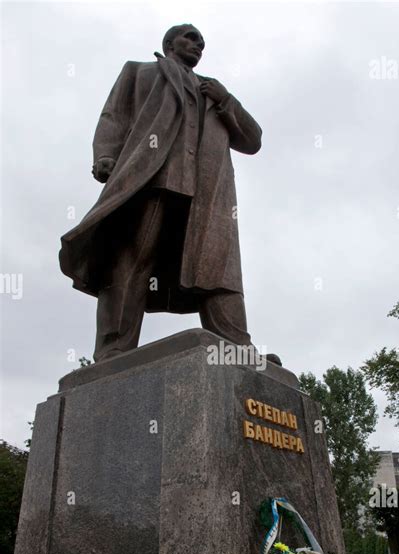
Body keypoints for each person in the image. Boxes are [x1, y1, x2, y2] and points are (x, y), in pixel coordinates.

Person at [59, 23, 280, 365]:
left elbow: (253, 140)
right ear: (169, 43)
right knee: (132, 257)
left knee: (218, 267)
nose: (198, 45)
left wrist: (227, 101)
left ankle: (235, 344)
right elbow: (114, 116)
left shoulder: (214, 94)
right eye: (191, 38)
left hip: (207, 193)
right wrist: (106, 156)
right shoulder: (139, 72)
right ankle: (114, 348)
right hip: (153, 176)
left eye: (202, 42)